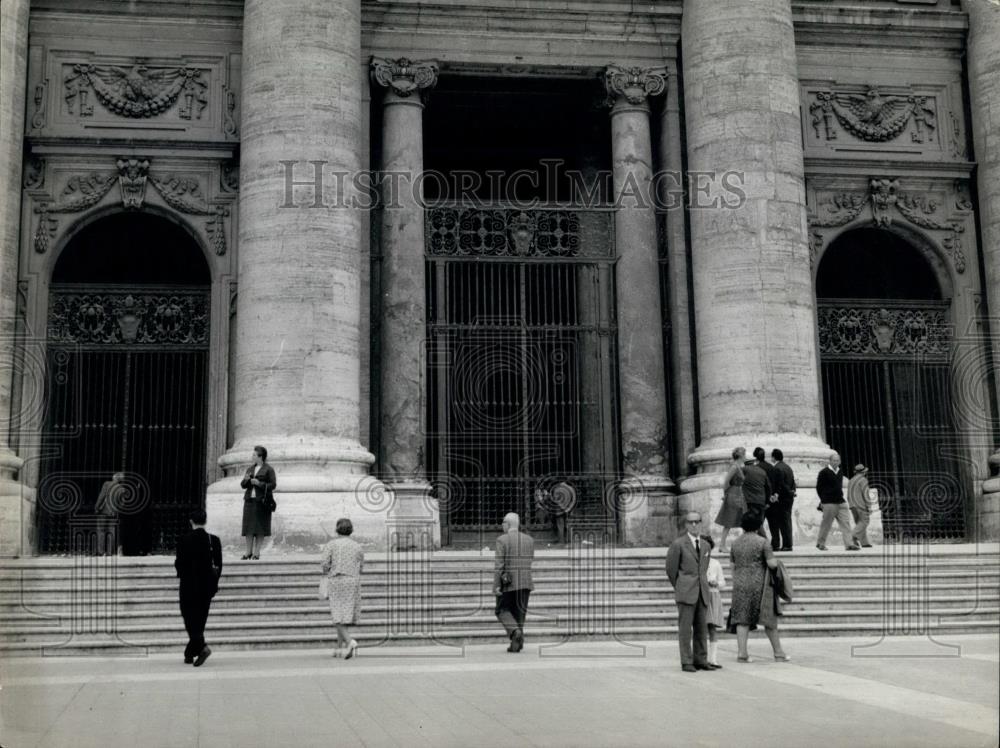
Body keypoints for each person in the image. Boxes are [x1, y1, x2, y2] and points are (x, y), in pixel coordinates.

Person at [729, 512, 789, 663]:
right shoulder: (763, 542)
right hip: (760, 585)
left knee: (742, 620)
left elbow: (732, 566)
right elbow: (772, 564)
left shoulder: (735, 543)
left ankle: (742, 654)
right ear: (758, 525)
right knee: (769, 619)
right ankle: (779, 653)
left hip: (740, 584)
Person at [174, 508, 222, 666]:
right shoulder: (213, 540)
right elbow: (219, 565)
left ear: (191, 521)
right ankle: (189, 652)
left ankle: (202, 649)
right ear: (205, 521)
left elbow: (179, 564)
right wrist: (213, 584)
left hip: (188, 586)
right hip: (206, 587)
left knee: (189, 619)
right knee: (199, 621)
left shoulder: (183, 539)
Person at [665, 512, 712, 672]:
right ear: (685, 525)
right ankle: (686, 660)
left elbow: (704, 568)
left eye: (697, 522)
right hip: (686, 591)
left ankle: (701, 659)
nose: (694, 525)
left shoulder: (706, 545)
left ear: (701, 523)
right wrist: (680, 585)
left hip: (702, 591)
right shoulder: (678, 544)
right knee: (685, 628)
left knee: (701, 627)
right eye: (690, 522)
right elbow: (671, 569)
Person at [320, 517, 365, 659]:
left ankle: (350, 642)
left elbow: (325, 564)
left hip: (337, 580)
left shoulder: (331, 545)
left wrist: (326, 572)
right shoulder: (357, 546)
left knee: (336, 614)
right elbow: (361, 565)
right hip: (352, 580)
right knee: (343, 613)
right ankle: (339, 648)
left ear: (337, 529)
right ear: (351, 530)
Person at [494, 512, 534, 653]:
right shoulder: (529, 540)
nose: (502, 525)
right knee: (520, 612)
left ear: (508, 524)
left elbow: (499, 565)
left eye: (503, 523)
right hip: (526, 582)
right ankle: (518, 642)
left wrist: (497, 586)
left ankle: (515, 631)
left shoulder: (502, 540)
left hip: (509, 583)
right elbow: (530, 559)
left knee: (501, 609)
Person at [816, 451, 859, 551]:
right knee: (826, 524)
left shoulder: (840, 471)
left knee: (846, 523)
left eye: (837, 460)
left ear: (839, 462)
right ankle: (820, 543)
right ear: (830, 461)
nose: (836, 462)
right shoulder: (823, 472)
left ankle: (849, 544)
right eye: (834, 460)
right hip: (829, 502)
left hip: (841, 501)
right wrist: (823, 500)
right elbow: (819, 488)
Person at [241, 445, 276, 560]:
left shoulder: (268, 469)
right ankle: (248, 552)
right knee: (248, 527)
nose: (252, 456)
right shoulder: (250, 469)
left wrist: (259, 483)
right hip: (249, 500)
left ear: (260, 457)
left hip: (262, 502)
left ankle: (256, 553)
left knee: (260, 527)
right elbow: (243, 485)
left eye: (254, 455)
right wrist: (246, 480)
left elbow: (273, 485)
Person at [714, 447, 746, 553]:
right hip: (733, 494)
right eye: (744, 454)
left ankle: (745, 544)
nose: (745, 456)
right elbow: (726, 482)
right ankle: (722, 545)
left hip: (739, 494)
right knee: (729, 520)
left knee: (742, 520)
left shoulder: (739, 466)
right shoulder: (734, 467)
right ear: (741, 456)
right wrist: (726, 495)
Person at [703, 534, 725, 669]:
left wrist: (716, 583)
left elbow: (723, 582)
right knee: (701, 628)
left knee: (712, 628)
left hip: (713, 596)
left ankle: (713, 658)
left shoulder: (715, 563)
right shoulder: (695, 563)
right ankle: (701, 657)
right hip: (701, 596)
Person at [769, 448, 797, 551]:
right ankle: (788, 544)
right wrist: (793, 491)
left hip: (782, 498)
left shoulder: (777, 468)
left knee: (783, 522)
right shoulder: (788, 467)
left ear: (773, 457)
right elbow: (793, 482)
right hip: (789, 498)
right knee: (787, 520)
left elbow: (780, 484)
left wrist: (777, 494)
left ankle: (787, 545)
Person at [534, 479, 574, 545]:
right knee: (568, 525)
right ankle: (569, 541)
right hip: (568, 510)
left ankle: (561, 541)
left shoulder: (558, 489)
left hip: (560, 510)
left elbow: (555, 500)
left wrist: (549, 497)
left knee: (560, 525)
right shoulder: (571, 488)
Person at [94, 472, 125, 556]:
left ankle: (101, 552)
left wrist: (96, 507)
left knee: (101, 531)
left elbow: (102, 496)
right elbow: (122, 504)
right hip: (113, 513)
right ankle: (110, 552)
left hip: (103, 512)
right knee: (111, 532)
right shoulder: (122, 489)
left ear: (114, 478)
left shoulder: (107, 484)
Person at [741, 455, 772, 533]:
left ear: (744, 462)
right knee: (758, 523)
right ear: (754, 461)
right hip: (761, 501)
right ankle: (762, 542)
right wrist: (767, 501)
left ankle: (764, 541)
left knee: (752, 523)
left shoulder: (743, 470)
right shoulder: (762, 471)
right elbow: (768, 487)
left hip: (750, 501)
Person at [848, 464, 873, 548]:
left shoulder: (851, 480)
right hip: (861, 505)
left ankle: (864, 542)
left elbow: (848, 494)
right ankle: (852, 536)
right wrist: (869, 506)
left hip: (852, 505)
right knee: (865, 521)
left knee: (859, 523)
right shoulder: (863, 480)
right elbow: (865, 493)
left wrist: (851, 504)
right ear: (864, 472)